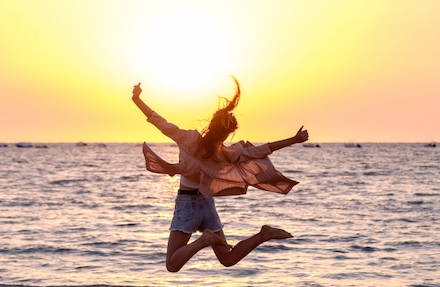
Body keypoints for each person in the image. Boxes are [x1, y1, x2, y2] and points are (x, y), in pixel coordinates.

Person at [132, 78, 308, 272]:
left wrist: (137, 100)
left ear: (212, 124)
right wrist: (293, 139)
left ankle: (203, 241)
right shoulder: (226, 153)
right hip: (207, 205)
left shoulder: (189, 138)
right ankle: (262, 235)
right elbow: (262, 150)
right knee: (227, 258)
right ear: (226, 134)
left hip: (187, 204)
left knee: (172, 265)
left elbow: (160, 122)